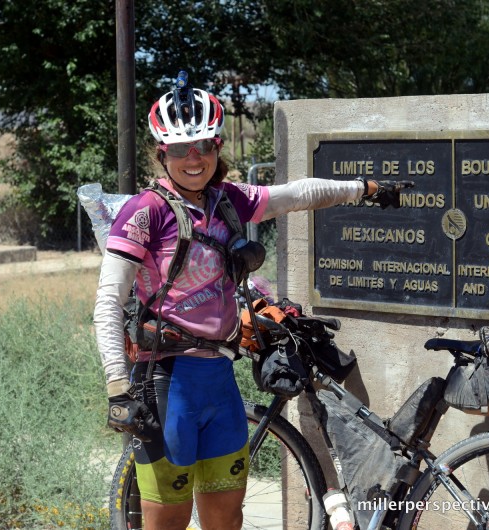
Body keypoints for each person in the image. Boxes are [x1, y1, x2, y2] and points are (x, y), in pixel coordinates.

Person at [93, 74, 402, 530]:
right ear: (162, 154)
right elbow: (107, 302)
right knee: (167, 524)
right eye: (180, 149)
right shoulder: (145, 212)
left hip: (219, 378)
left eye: (203, 145)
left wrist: (365, 189)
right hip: (166, 384)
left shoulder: (227, 201)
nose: (193, 158)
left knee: (227, 519)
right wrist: (118, 385)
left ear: (218, 146)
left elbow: (297, 195)